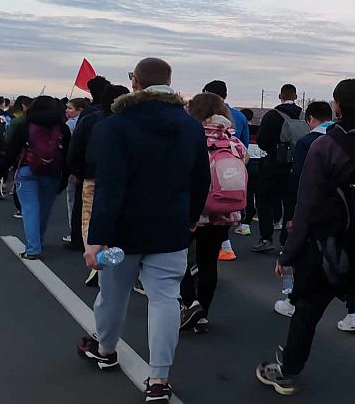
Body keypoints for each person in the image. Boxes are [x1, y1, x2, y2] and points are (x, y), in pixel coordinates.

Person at [77, 57, 210, 404]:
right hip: (170, 229)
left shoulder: (115, 125)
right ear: (169, 82)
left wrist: (95, 238)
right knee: (165, 299)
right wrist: (191, 217)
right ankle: (159, 378)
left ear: (135, 82)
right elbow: (200, 179)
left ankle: (105, 350)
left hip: (121, 234)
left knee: (112, 294)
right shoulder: (190, 125)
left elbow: (109, 186)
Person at [255, 79, 355, 396]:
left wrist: (288, 254)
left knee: (306, 310)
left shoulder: (324, 146)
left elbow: (306, 206)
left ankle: (287, 372)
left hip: (326, 248)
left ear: (338, 107)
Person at [179, 93, 248, 334]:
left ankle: (190, 303)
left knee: (177, 258)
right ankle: (204, 314)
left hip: (193, 208)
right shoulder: (233, 141)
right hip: (224, 210)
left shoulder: (189, 136)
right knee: (208, 262)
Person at [274, 100, 334, 318]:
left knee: (295, 252)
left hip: (309, 208)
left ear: (311, 119)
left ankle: (291, 297)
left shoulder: (307, 142)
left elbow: (297, 180)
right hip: (338, 210)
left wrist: (290, 214)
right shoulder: (342, 139)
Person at [0, 95, 71, 259]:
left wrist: (2, 171)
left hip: (27, 170)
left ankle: (33, 248)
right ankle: (39, 239)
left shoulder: (24, 124)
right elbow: (67, 154)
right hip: (53, 172)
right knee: (45, 208)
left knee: (30, 208)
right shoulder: (62, 127)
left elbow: (12, 149)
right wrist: (66, 176)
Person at [68, 84, 129, 267]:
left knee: (89, 217)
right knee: (119, 216)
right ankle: (112, 254)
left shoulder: (90, 120)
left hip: (92, 175)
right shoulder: (130, 122)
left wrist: (77, 171)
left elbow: (76, 148)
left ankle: (94, 256)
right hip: (123, 178)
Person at [251, 84, 306, 253]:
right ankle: (286, 242)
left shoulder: (272, 115)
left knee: (263, 198)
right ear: (296, 96)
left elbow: (262, 141)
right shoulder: (304, 116)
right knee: (290, 203)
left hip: (274, 164)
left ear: (280, 96)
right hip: (297, 165)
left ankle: (266, 238)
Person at [61, 97, 91, 242]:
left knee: (72, 200)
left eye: (70, 108)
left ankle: (74, 231)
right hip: (87, 166)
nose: (67, 110)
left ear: (80, 110)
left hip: (76, 167)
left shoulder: (72, 124)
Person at [235, 107, 264, 237]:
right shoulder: (260, 131)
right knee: (255, 192)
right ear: (252, 118)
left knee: (244, 192)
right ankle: (250, 219)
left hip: (246, 163)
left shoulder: (240, 131)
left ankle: (242, 218)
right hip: (259, 163)